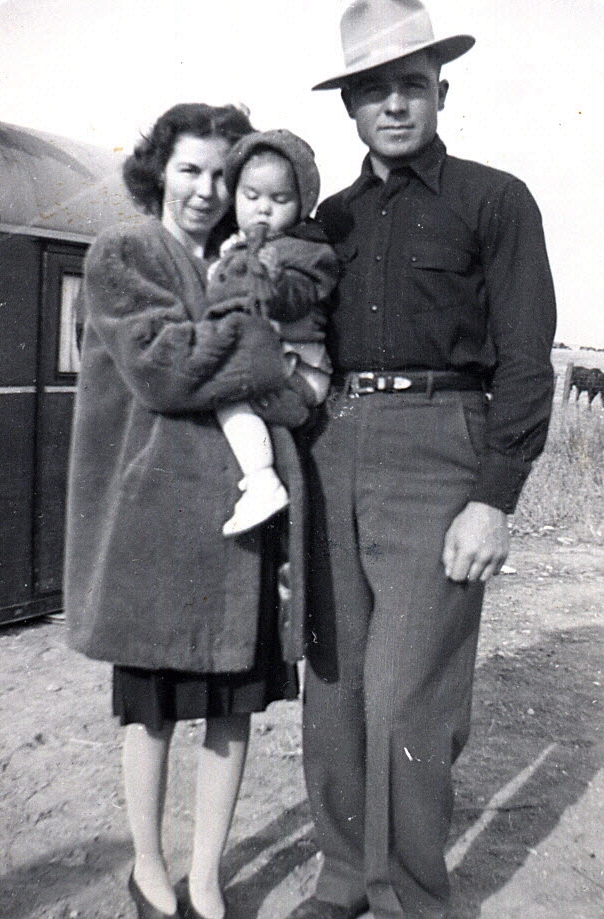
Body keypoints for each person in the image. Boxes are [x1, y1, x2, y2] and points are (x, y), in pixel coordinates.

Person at [291, 2, 557, 918]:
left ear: (440, 90)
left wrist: (495, 497)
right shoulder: (327, 220)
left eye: (411, 86)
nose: (394, 106)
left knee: (409, 694)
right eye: (374, 92)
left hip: (442, 447)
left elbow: (526, 357)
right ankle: (340, 874)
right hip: (332, 446)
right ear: (351, 110)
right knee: (331, 683)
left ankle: (408, 892)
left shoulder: (494, 199)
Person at [65, 103, 312, 919]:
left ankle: (204, 879)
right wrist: (262, 354)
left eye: (222, 175)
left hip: (240, 530)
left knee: (231, 712)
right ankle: (147, 869)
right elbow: (165, 369)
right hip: (153, 530)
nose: (207, 191)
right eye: (190, 170)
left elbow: (292, 398)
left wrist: (261, 365)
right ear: (156, 171)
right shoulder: (123, 253)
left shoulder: (245, 262)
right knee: (155, 714)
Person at [205, 129, 338, 537]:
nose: (264, 210)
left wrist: (275, 280)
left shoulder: (306, 250)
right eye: (252, 197)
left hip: (300, 370)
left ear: (301, 205)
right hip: (268, 363)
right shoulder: (232, 250)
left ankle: (262, 482)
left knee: (229, 400)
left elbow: (299, 297)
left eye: (280, 201)